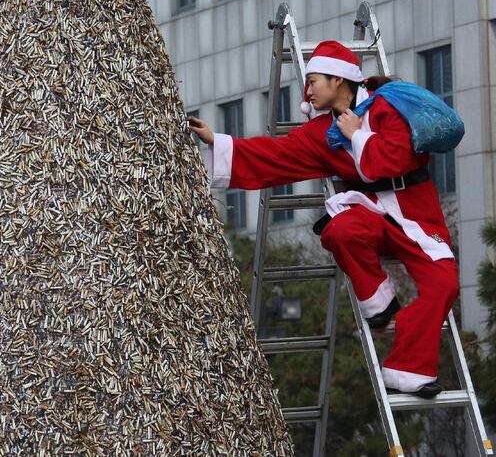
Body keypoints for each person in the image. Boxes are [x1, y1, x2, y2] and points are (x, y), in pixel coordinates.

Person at [189, 40, 459, 398]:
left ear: (338, 80)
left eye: (314, 80)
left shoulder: (387, 108)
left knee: (445, 285)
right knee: (341, 230)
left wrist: (356, 135)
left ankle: (406, 368)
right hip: (369, 211)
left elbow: (393, 162)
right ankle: (380, 303)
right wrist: (217, 142)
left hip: (416, 212)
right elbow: (276, 154)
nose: (308, 89)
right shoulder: (321, 135)